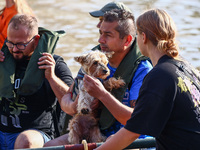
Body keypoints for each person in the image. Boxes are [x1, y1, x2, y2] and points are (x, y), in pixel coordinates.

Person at [82, 8, 200, 150]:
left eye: (137, 34)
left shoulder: (159, 75)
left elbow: (133, 131)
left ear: (143, 37)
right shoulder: (188, 68)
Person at [44, 8, 153, 147]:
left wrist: (101, 95)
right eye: (100, 33)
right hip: (96, 130)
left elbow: (137, 119)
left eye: (108, 35)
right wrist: (74, 106)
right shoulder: (94, 59)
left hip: (129, 136)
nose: (100, 40)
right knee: (49, 147)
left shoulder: (142, 69)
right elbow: (67, 98)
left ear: (127, 40)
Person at [0, 14, 73, 149]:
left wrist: (51, 77)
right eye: (10, 43)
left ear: (36, 40)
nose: (15, 49)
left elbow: (72, 103)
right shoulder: (3, 60)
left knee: (25, 140)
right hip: (2, 132)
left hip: (37, 135)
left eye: (21, 45)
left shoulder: (54, 64)